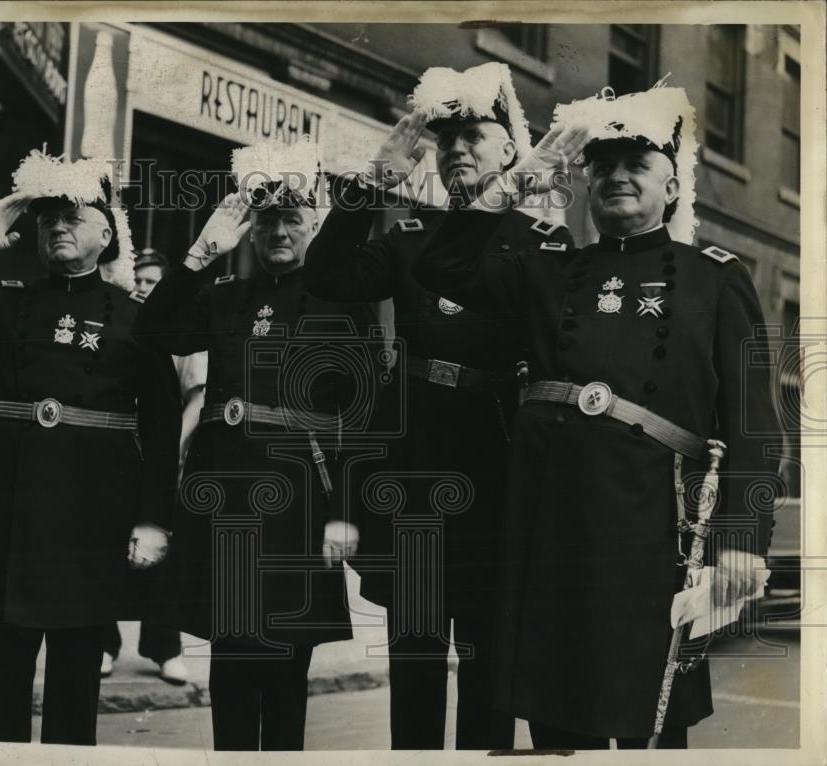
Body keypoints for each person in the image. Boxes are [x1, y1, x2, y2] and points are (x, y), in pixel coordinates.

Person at [412, 85, 780, 749]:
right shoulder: (549, 267)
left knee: (650, 716)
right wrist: (517, 180)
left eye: (637, 165)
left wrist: (743, 543)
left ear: (672, 187)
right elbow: (442, 262)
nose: (617, 178)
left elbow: (755, 424)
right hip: (550, 516)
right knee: (553, 716)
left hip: (652, 527)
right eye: (603, 166)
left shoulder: (715, 279)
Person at [303, 62, 571, 750]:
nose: (456, 149)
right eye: (444, 139)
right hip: (415, 467)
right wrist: (371, 184)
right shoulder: (412, 235)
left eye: (474, 135)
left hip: (496, 460)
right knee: (415, 653)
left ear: (511, 149)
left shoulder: (540, 243)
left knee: (487, 652)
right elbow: (329, 276)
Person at [0, 150, 182, 745]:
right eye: (47, 218)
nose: (57, 226)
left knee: (75, 681)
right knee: (3, 676)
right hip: (9, 511)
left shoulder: (137, 319)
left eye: (74, 216)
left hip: (91, 518)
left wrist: (154, 519)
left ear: (106, 234)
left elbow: (160, 430)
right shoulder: (8, 303)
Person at [133, 138, 374, 751]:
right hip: (225, 497)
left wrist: (344, 512)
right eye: (267, 219)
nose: (279, 231)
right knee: (230, 658)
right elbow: (153, 330)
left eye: (292, 218)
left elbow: (360, 413)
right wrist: (201, 253)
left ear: (314, 225)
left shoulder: (339, 302)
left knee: (287, 664)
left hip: (299, 498)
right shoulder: (222, 296)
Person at [100, 249, 196, 686]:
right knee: (106, 551)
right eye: (138, 280)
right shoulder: (119, 323)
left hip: (165, 454)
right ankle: (105, 643)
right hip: (118, 457)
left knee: (161, 555)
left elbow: (195, 396)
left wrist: (171, 452)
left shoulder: (177, 325)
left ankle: (165, 649)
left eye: (152, 281)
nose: (142, 288)